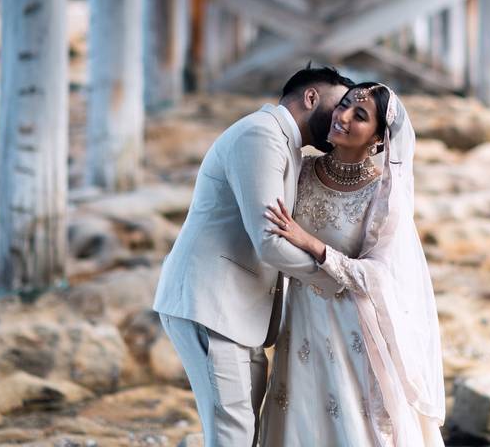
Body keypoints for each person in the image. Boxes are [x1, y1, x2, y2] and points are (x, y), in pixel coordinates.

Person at [152, 65, 354, 446]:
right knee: (233, 433)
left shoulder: (286, 145)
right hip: (211, 303)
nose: (342, 114)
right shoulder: (260, 135)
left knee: (245, 432)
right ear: (311, 97)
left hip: (240, 310)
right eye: (339, 102)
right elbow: (268, 241)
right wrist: (334, 275)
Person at [260, 83, 445, 446]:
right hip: (298, 323)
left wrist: (311, 243)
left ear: (378, 139)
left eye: (359, 116)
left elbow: (379, 275)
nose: (342, 117)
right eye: (342, 106)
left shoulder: (382, 196)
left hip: (351, 332)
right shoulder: (301, 170)